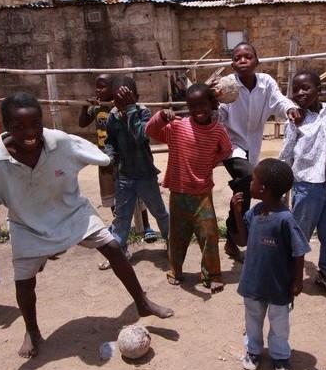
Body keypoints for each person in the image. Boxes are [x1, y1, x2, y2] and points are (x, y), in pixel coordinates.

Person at [0, 91, 173, 358]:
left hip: (72, 213)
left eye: (35, 124)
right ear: (6, 127)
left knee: (113, 247)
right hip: (28, 224)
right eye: (19, 127)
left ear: (42, 121)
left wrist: (106, 160)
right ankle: (32, 330)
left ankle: (141, 302)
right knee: (24, 280)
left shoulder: (58, 141)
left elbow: (89, 150)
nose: (30, 132)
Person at [215, 42, 303, 264]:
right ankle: (238, 230)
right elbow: (219, 116)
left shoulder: (266, 83)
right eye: (237, 57)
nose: (243, 60)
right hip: (231, 143)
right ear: (232, 64)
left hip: (253, 144)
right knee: (247, 178)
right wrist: (213, 103)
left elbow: (279, 100)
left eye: (248, 56)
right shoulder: (227, 86)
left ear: (257, 61)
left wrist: (289, 109)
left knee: (246, 184)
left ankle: (236, 237)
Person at [146, 82, 232, 293]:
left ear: (211, 104)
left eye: (202, 105)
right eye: (192, 106)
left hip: (202, 193)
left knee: (209, 235)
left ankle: (212, 275)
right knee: (177, 236)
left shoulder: (218, 131)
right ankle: (176, 270)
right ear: (187, 107)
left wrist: (210, 162)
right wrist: (160, 116)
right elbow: (150, 130)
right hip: (178, 192)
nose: (198, 110)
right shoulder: (177, 127)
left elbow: (227, 150)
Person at [230, 158, 310, 370]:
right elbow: (244, 241)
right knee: (252, 320)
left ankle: (281, 355)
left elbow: (299, 251)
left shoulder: (286, 219)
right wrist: (238, 213)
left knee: (279, 323)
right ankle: (254, 351)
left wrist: (297, 281)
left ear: (263, 188)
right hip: (253, 282)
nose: (251, 183)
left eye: (254, 179)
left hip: (277, 286)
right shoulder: (255, 212)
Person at [78, 74, 158, 267]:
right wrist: (85, 106)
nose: (98, 91)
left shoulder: (132, 110)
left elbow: (141, 135)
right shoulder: (96, 107)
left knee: (140, 197)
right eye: (96, 87)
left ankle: (145, 226)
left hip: (131, 160)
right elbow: (84, 124)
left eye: (102, 87)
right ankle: (121, 238)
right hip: (107, 159)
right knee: (116, 200)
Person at [278, 70, 326, 294]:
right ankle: (289, 274)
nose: (300, 93)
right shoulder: (295, 120)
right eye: (295, 89)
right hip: (306, 187)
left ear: (319, 88)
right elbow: (286, 154)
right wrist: (279, 185)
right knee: (299, 234)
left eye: (306, 87)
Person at [103, 76, 170, 261]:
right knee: (122, 216)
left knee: (159, 212)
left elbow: (141, 136)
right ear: (113, 100)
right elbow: (110, 142)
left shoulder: (143, 113)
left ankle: (171, 241)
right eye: (119, 101)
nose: (123, 105)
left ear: (136, 98)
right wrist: (110, 159)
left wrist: (131, 110)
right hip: (124, 175)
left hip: (145, 174)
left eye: (128, 100)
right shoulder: (112, 117)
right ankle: (120, 250)